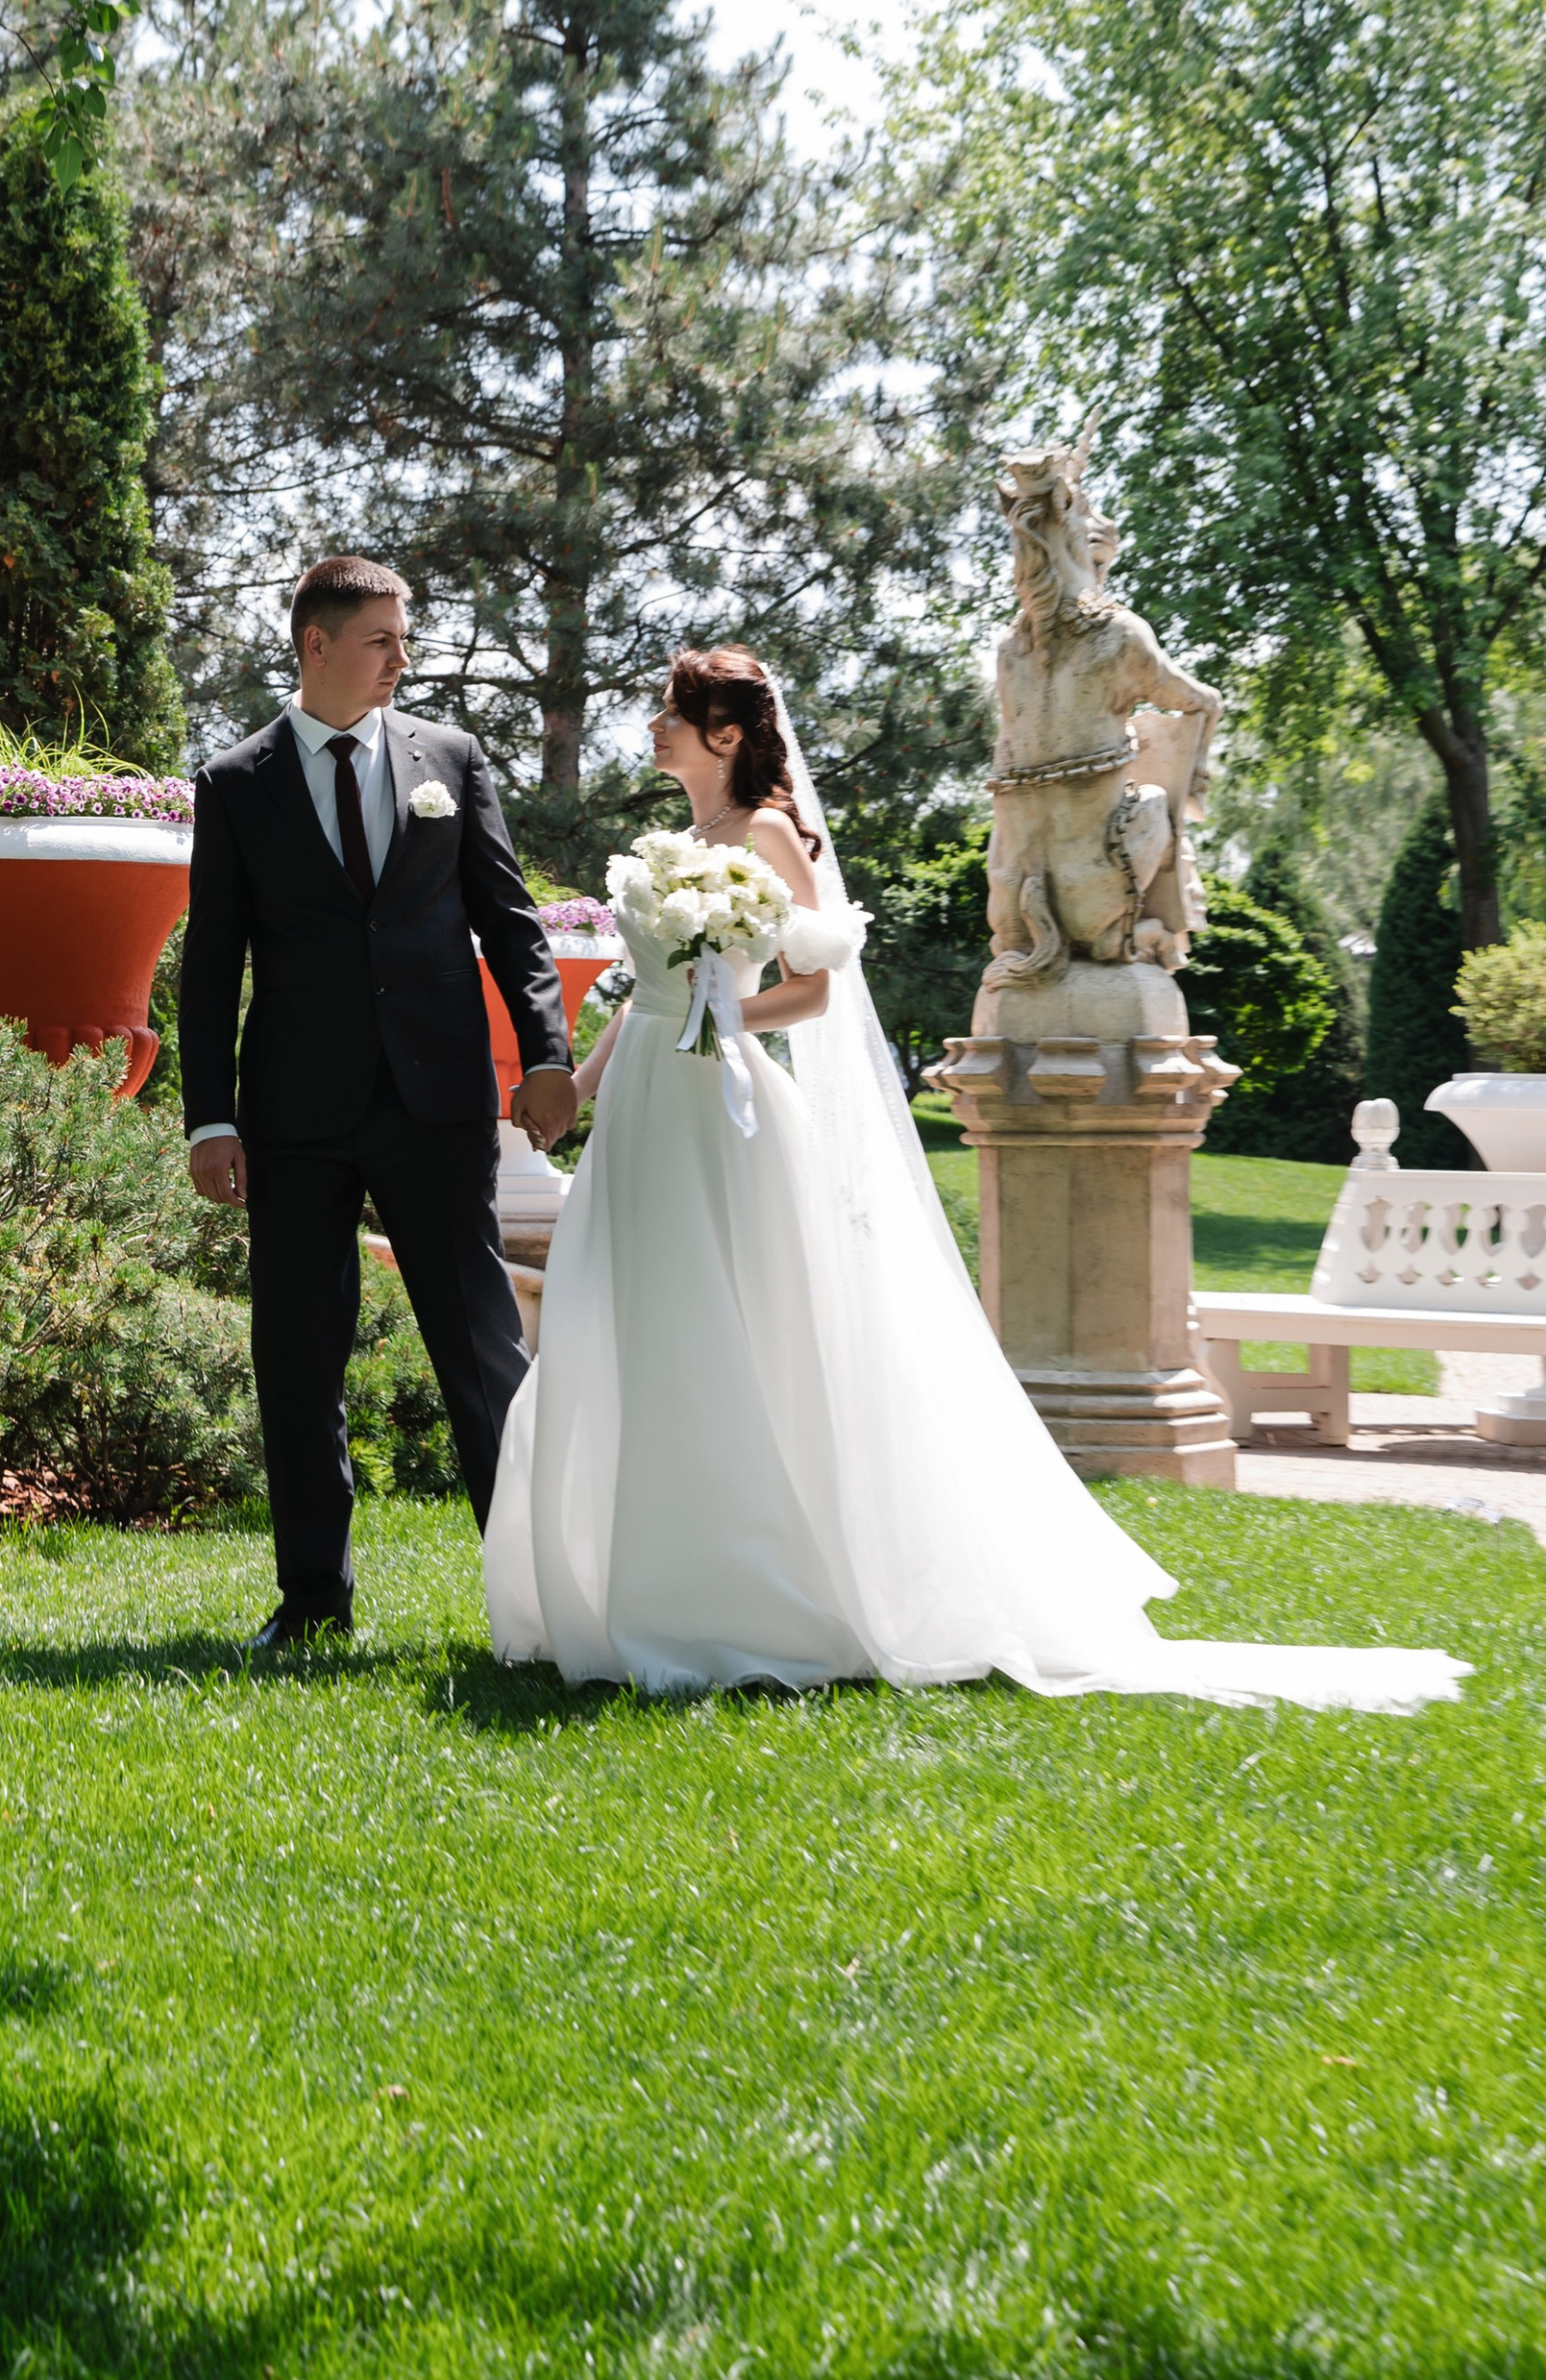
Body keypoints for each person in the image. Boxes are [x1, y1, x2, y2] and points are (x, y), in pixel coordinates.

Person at [483, 648, 1466, 1713]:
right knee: (632, 1319)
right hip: (645, 1117)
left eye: (671, 713)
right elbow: (644, 996)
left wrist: (725, 1013)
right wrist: (579, 1081)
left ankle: (750, 1591)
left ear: (723, 733)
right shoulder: (678, 846)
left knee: (731, 1326)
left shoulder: (767, 835)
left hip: (723, 1113)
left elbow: (812, 988)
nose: (652, 729)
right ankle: (629, 1577)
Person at [181, 555, 577, 1649]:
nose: (404, 658)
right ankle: (313, 1600)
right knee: (299, 1354)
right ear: (315, 644)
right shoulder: (234, 781)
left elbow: (508, 918)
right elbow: (210, 964)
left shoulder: (448, 757)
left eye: (404, 638)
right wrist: (209, 1115)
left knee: (482, 1346)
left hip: (436, 1099)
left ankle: (531, 1598)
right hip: (293, 1116)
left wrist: (544, 1051)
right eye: (382, 639)